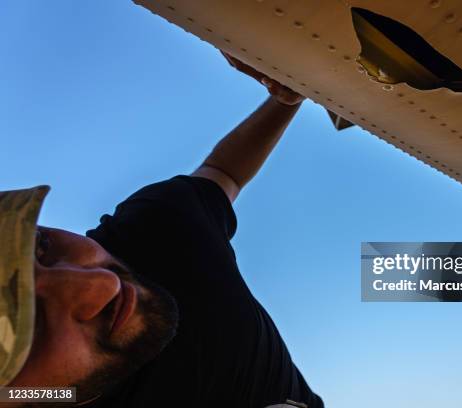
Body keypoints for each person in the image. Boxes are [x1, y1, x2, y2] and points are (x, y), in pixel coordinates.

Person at [0, 52, 324, 408]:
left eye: (40, 245)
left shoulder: (155, 237)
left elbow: (223, 174)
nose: (103, 286)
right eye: (32, 326)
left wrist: (285, 98)